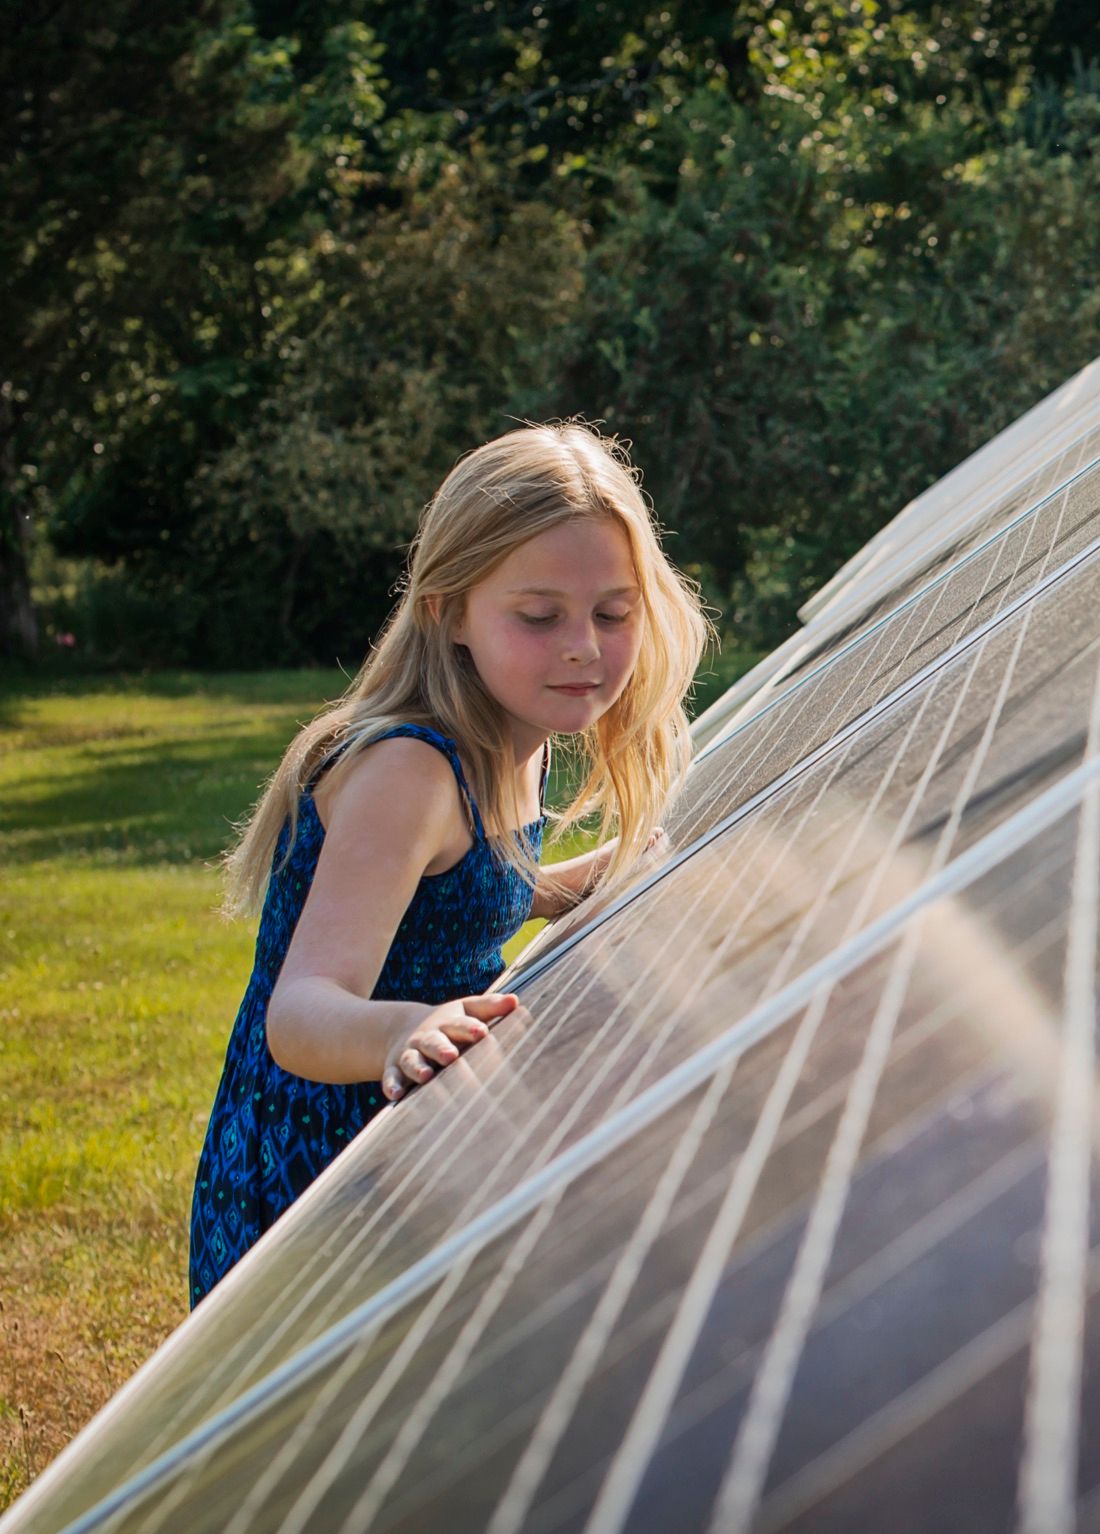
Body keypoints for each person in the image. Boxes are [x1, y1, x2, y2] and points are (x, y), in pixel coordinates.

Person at [187, 423, 709, 1304]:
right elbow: (303, 1011)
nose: (583, 645)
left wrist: (582, 882)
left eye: (613, 613)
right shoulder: (412, 771)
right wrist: (401, 1031)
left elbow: (452, 902)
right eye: (540, 616)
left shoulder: (521, 734)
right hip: (318, 1175)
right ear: (449, 610)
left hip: (420, 1141)